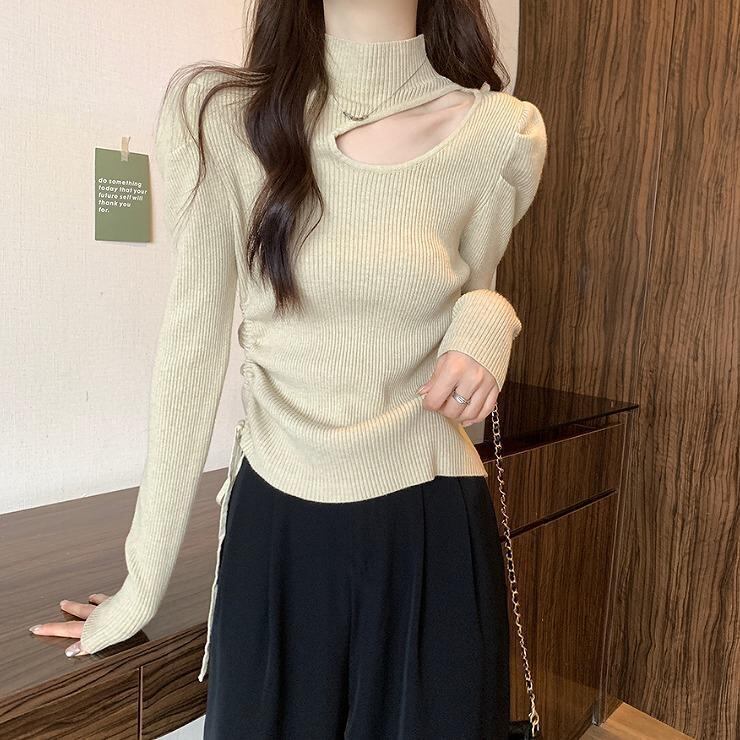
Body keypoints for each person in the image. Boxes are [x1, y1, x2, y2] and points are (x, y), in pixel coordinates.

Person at [30, 0, 547, 736]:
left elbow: (471, 298)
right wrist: (142, 584)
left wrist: (491, 320)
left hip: (428, 520)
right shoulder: (221, 117)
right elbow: (191, 345)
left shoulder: (500, 134)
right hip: (276, 521)